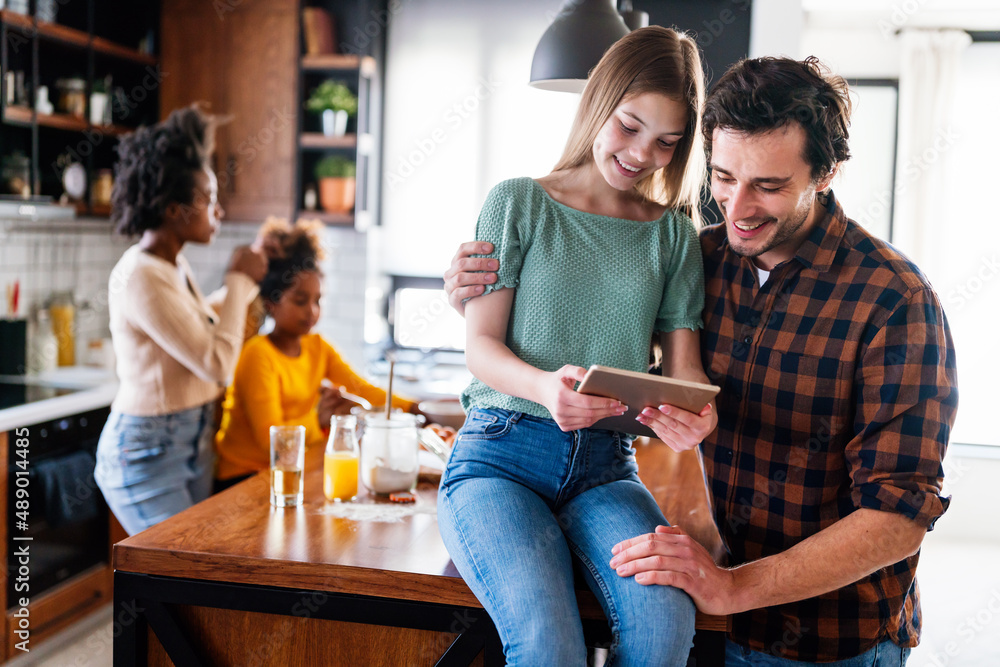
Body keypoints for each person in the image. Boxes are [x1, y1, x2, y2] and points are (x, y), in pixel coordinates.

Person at [445, 56, 958, 666]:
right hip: (719, 612)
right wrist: (471, 293)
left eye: (768, 186)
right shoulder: (705, 253)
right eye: (722, 176)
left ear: (826, 174)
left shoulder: (895, 300)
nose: (736, 207)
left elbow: (898, 515)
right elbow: (607, 332)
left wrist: (733, 586)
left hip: (829, 639)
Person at [438, 26, 716, 666]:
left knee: (665, 624)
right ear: (598, 102)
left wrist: (696, 418)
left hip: (606, 470)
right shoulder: (518, 204)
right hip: (498, 460)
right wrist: (543, 387)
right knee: (547, 642)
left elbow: (686, 374)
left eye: (667, 142)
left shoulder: (672, 238)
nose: (643, 153)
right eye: (629, 125)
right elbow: (479, 347)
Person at [94, 105, 268, 536]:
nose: (218, 211)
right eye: (208, 200)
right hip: (148, 454)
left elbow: (198, 326)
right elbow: (216, 363)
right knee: (179, 577)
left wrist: (243, 290)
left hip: (191, 441)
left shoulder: (172, 266)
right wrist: (239, 280)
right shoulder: (141, 276)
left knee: (194, 579)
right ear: (174, 210)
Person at [213, 218, 415, 490]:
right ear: (272, 303)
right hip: (244, 478)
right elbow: (269, 444)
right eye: (300, 300)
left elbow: (360, 387)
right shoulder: (257, 355)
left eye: (317, 300)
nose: (312, 311)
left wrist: (414, 408)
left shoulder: (317, 346)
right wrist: (318, 418)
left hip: (291, 470)